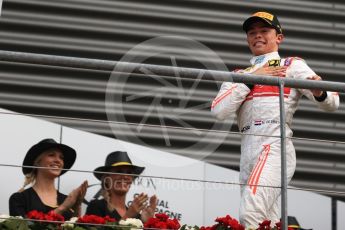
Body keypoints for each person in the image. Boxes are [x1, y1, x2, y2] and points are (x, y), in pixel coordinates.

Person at [211, 11, 339, 228]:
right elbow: (219, 111)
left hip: (275, 145)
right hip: (247, 149)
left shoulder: (291, 65)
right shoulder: (239, 74)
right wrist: (253, 77)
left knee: (250, 213)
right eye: (252, 32)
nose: (257, 36)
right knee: (267, 222)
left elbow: (332, 102)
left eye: (264, 31)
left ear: (279, 37)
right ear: (247, 39)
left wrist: (318, 91)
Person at [9, 138, 88, 220]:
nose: (58, 160)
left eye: (61, 157)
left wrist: (77, 205)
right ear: (37, 162)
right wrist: (63, 207)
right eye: (51, 155)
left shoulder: (67, 200)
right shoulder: (20, 199)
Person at [86, 151, 157, 222]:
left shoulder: (137, 217)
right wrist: (128, 216)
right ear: (106, 179)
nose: (125, 176)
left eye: (129, 173)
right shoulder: (96, 206)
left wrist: (146, 223)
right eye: (118, 171)